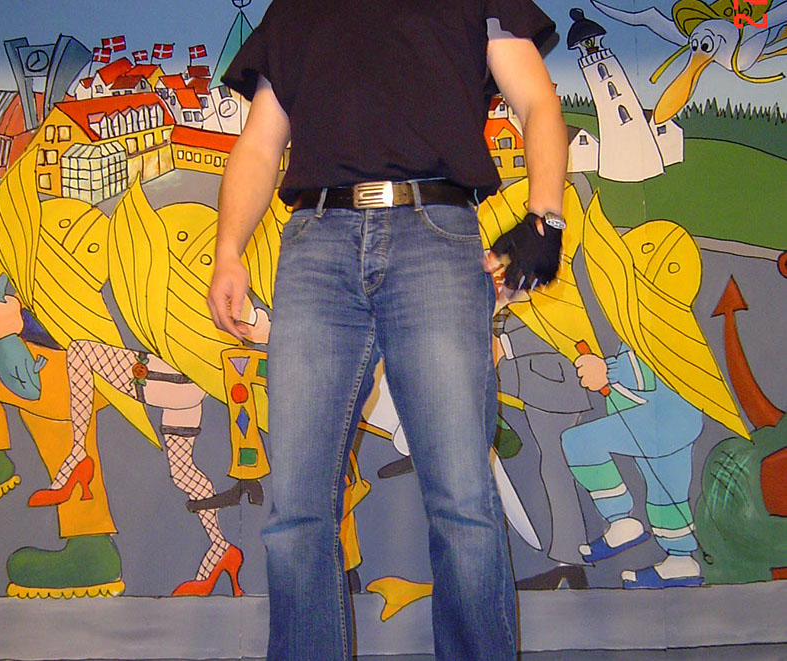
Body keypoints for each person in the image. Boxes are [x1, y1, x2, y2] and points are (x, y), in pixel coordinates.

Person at [208, 1, 568, 659]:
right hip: (317, 240)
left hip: (433, 229)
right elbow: (260, 143)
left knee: (463, 501)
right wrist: (228, 250)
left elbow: (538, 102)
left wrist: (545, 218)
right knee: (295, 512)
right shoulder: (295, 9)